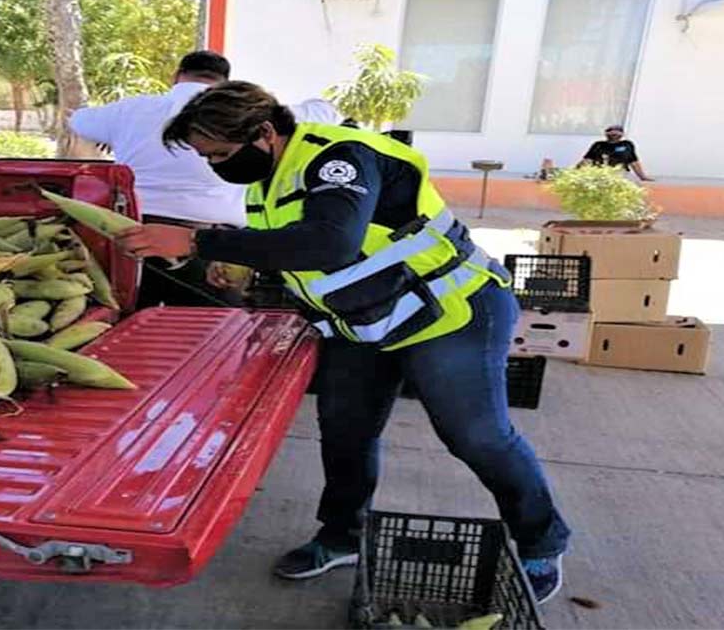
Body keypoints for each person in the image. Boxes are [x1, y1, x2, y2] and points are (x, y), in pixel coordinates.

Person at [115, 82, 571, 603]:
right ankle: (341, 536)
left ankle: (541, 540)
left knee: (476, 435)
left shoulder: (340, 157)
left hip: (452, 311)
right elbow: (296, 251)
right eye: (207, 158)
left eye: (220, 154)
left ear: (265, 133)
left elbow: (333, 242)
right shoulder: (268, 182)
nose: (217, 166)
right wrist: (230, 265)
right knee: (345, 432)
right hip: (366, 324)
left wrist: (198, 239)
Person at [69, 51, 344, 308]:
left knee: (127, 330)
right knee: (213, 340)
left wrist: (110, 135)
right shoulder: (252, 116)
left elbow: (78, 120)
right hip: (214, 248)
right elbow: (325, 111)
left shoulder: (130, 109)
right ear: (225, 82)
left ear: (176, 76)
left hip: (130, 238)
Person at [580, 124, 653, 180]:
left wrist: (642, 176)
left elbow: (633, 161)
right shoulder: (598, 144)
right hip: (599, 172)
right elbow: (587, 160)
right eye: (611, 132)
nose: (614, 134)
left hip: (620, 173)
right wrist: (575, 171)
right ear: (606, 134)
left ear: (622, 134)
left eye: (617, 132)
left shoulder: (627, 144)